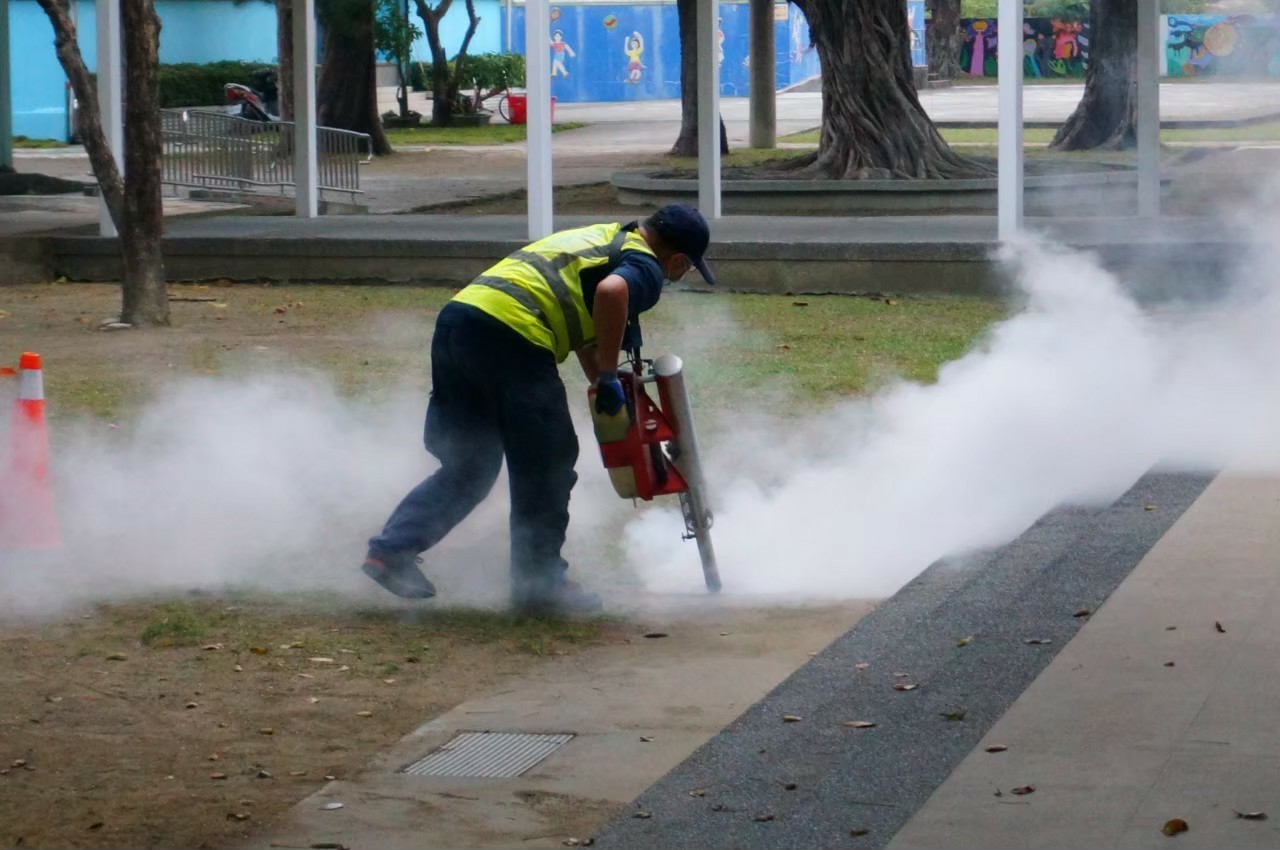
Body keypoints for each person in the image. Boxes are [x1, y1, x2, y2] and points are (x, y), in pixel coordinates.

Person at [361, 205, 716, 615]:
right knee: (549, 461)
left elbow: (587, 322)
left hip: (459, 323)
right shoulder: (646, 265)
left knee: (470, 467)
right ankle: (539, 584)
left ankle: (390, 552)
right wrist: (605, 376)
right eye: (685, 270)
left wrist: (601, 380)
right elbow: (611, 294)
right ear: (678, 260)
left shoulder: (602, 237)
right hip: (513, 335)